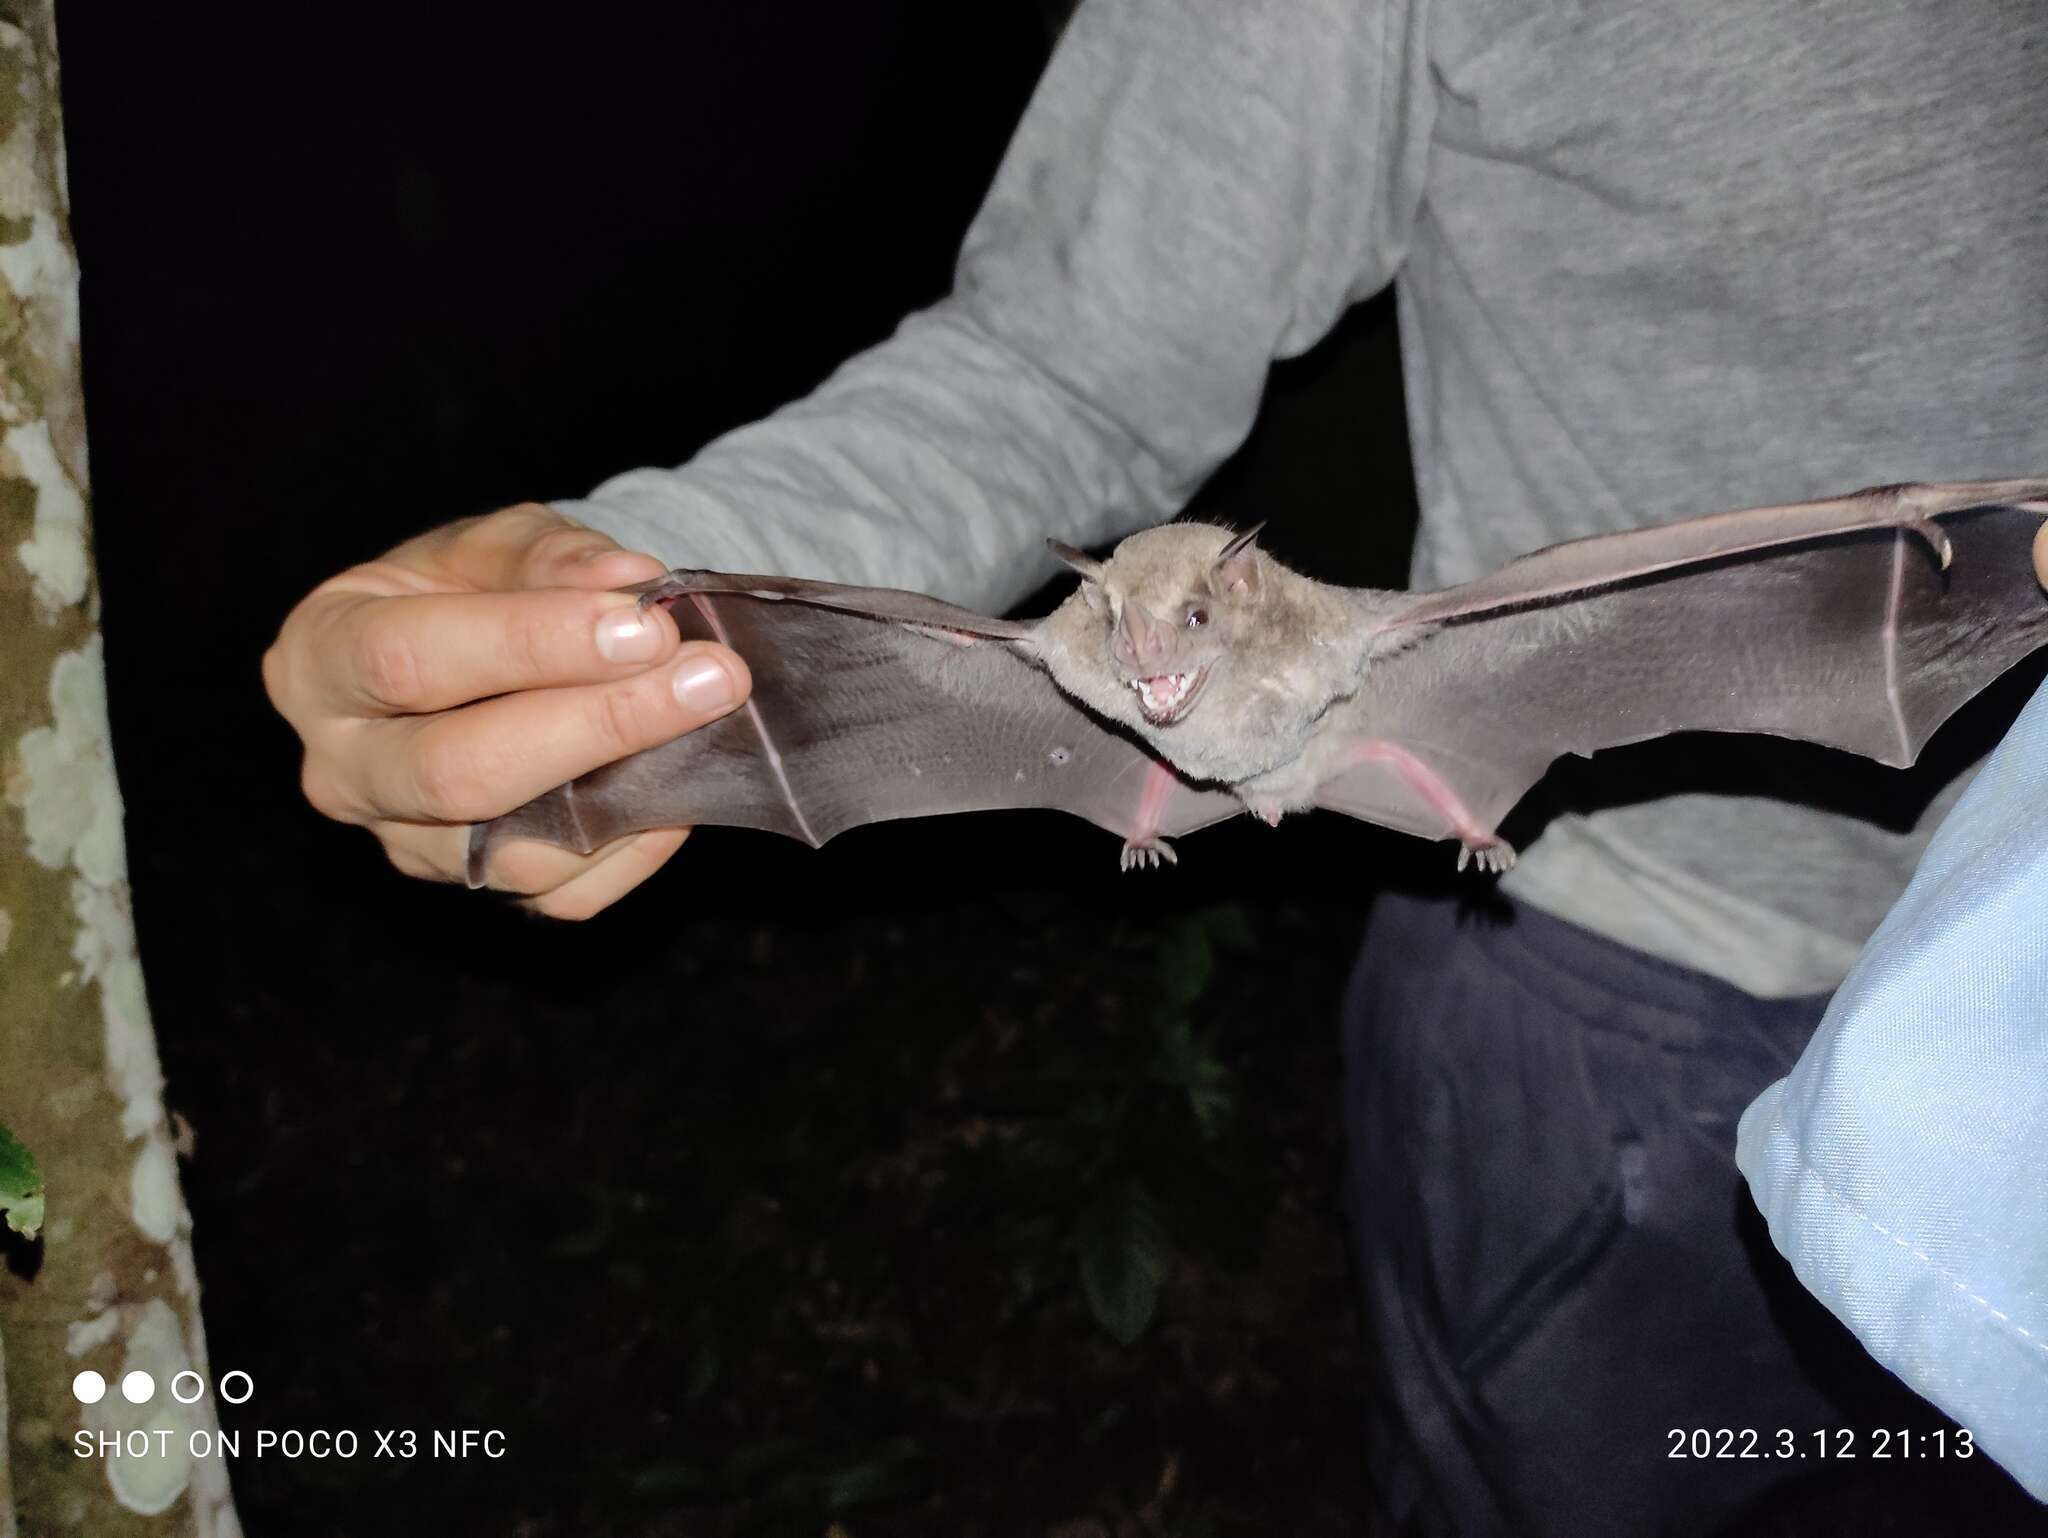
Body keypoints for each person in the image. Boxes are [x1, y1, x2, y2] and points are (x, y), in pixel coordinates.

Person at [262, 0, 2048, 1530]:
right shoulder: (1093, 644)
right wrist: (620, 589)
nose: (1153, 666)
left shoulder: (1328, 622)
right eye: (1128, 637)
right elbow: (1061, 360)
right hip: (1628, 1011)